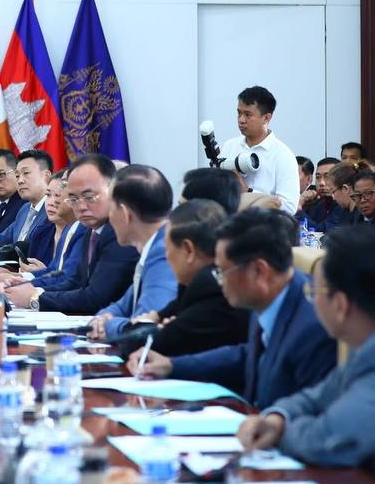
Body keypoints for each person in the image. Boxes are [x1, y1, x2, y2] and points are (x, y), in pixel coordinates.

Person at [128, 208, 336, 409]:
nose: (220, 282)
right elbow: (248, 355)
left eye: (222, 272)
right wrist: (172, 365)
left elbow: (313, 410)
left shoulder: (313, 325)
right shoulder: (271, 297)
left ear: (258, 271)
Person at [237, 226, 375, 466]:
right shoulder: (362, 353)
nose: (311, 302)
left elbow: (328, 441)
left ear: (340, 305)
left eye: (314, 291)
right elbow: (315, 398)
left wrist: (280, 433)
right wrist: (278, 417)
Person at [5, 155, 140, 314]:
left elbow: (97, 298)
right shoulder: (91, 229)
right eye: (73, 199)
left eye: (89, 197)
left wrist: (36, 298)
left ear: (113, 191)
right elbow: (76, 282)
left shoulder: (119, 233)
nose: (81, 206)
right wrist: (28, 289)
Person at [125, 200, 249, 356]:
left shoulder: (211, 288)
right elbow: (164, 317)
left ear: (188, 250)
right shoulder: (193, 283)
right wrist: (157, 323)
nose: (166, 257)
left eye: (167, 249)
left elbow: (140, 344)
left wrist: (150, 324)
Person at [88, 165, 179, 340]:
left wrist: (108, 324)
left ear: (124, 214)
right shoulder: (154, 246)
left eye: (111, 209)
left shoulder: (165, 252)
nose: (109, 217)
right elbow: (121, 307)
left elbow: (143, 331)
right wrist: (102, 318)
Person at [217, 86, 299, 214]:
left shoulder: (283, 155)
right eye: (239, 113)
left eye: (248, 114)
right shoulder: (230, 146)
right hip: (230, 222)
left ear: (266, 118)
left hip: (264, 224)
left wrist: (248, 192)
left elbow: (289, 207)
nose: (241, 120)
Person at [300, 157, 344, 231]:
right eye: (318, 177)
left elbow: (320, 230)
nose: (321, 183)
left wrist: (298, 208)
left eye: (327, 177)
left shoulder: (343, 203)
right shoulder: (313, 198)